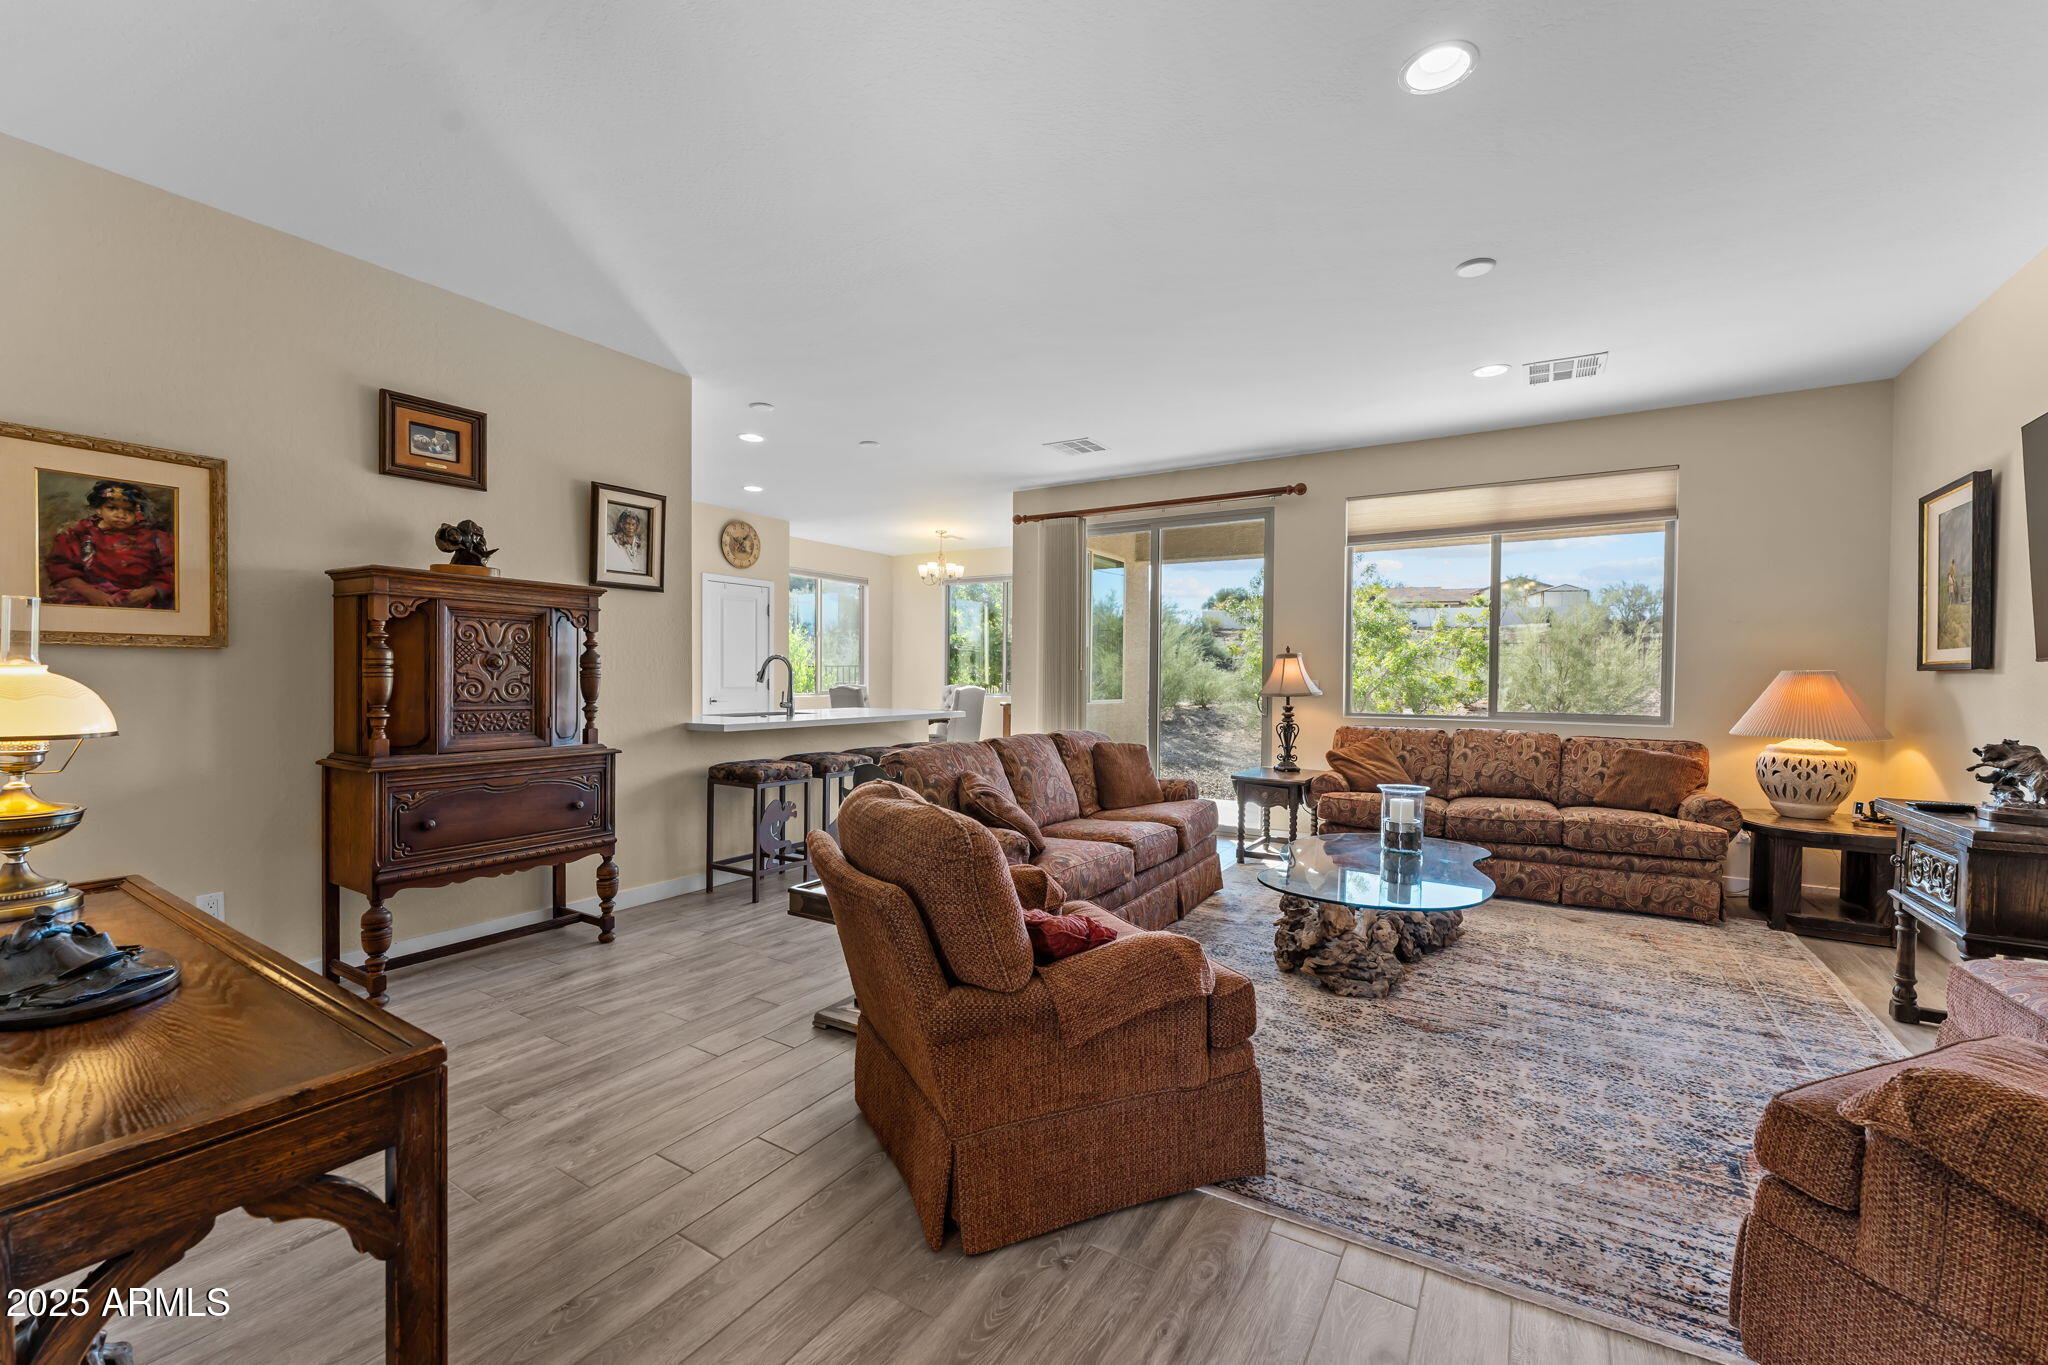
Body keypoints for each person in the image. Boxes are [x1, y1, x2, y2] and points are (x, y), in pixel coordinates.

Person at [42, 480, 176, 609]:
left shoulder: (155, 537)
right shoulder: (77, 534)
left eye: (129, 511)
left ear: (138, 513)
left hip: (141, 601)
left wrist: (150, 591)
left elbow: (171, 570)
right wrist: (92, 593)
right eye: (112, 508)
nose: (120, 515)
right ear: (99, 509)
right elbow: (60, 569)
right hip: (89, 598)